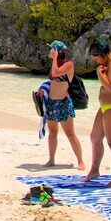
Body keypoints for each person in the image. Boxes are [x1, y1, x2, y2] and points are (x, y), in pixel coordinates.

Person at [82, 37, 111, 187]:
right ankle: (94, 170)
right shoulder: (106, 63)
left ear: (102, 54)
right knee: (95, 137)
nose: (96, 62)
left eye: (96, 59)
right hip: (105, 108)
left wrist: (99, 74)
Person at [35, 40, 85, 169]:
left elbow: (56, 73)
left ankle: (80, 161)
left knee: (70, 133)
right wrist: (43, 90)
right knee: (52, 133)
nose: (50, 52)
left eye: (52, 50)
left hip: (63, 103)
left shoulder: (69, 65)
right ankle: (51, 159)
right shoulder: (54, 64)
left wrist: (55, 58)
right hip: (51, 103)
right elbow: (51, 80)